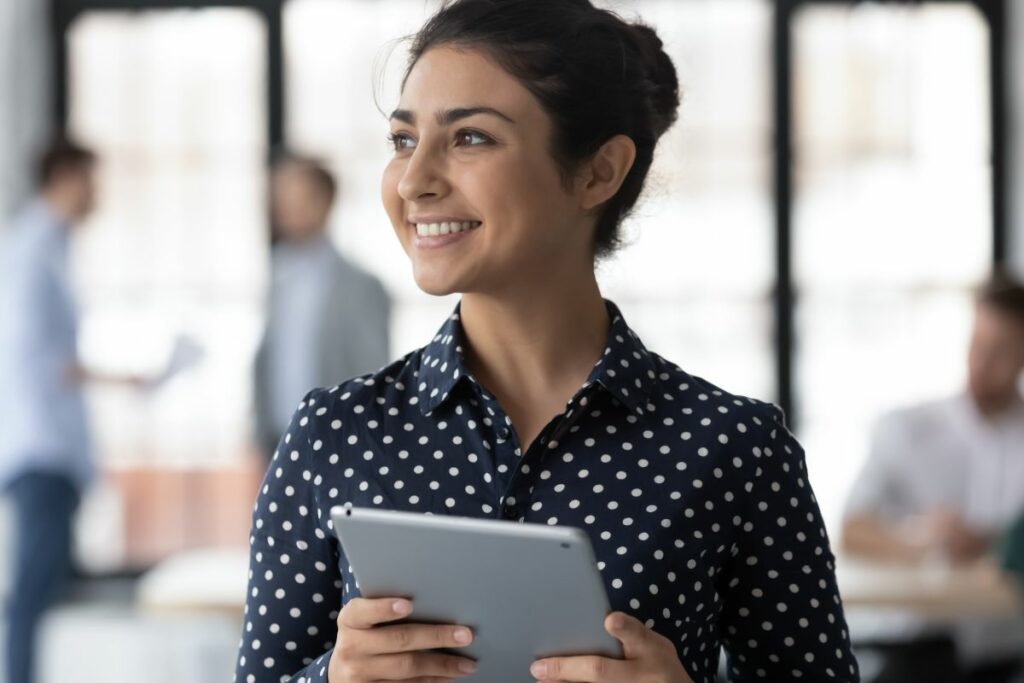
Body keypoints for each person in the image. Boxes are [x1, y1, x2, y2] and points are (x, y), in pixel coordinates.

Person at [234, 2, 859, 682]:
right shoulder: (333, 436)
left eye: (470, 137)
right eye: (404, 140)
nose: (414, 180)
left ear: (598, 172)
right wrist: (333, 679)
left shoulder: (734, 449)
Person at [0, 138, 140, 683]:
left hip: (48, 447)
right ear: (62, 177)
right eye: (89, 179)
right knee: (34, 593)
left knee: (43, 590)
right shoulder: (32, 248)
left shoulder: (47, 245)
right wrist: (122, 378)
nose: (95, 193)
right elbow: (33, 355)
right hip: (40, 449)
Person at [841, 272, 1024, 683]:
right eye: (977, 345)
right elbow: (852, 528)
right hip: (918, 648)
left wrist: (996, 542)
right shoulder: (907, 428)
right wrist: (919, 539)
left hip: (1007, 650)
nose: (982, 364)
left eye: (1001, 352)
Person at [253, 155, 392, 461]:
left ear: (326, 200)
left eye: (296, 197)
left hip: (339, 440)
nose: (286, 208)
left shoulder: (362, 286)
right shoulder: (278, 274)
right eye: (280, 198)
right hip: (279, 440)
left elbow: (373, 373)